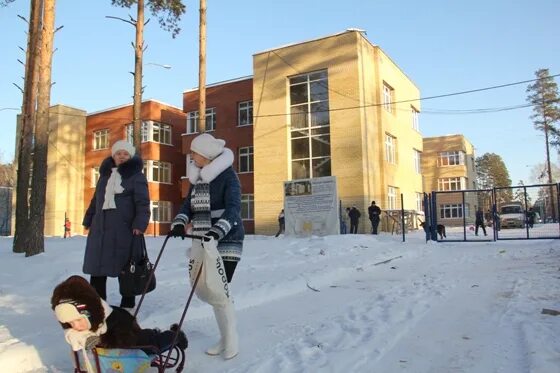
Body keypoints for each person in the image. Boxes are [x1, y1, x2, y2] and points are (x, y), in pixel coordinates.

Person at [169, 133, 244, 360]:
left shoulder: (229, 177)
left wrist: (217, 230)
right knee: (213, 291)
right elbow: (187, 206)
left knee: (220, 290)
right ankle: (224, 337)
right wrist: (180, 223)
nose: (191, 156)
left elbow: (233, 208)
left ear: (206, 155)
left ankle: (231, 339)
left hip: (227, 238)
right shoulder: (200, 179)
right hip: (203, 239)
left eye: (194, 153)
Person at [51, 276, 187, 368]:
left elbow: (123, 344)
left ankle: (175, 335)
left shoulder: (114, 321)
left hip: (128, 333)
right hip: (109, 345)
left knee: (152, 342)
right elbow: (71, 335)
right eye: (70, 323)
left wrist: (100, 341)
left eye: (78, 320)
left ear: (90, 314)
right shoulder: (77, 326)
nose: (75, 326)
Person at [82, 140, 150, 310]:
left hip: (124, 230)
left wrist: (139, 224)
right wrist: (89, 219)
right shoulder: (104, 177)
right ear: (113, 156)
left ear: (130, 156)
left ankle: (127, 305)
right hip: (101, 230)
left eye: (125, 154)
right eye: (118, 153)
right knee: (97, 268)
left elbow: (143, 203)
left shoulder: (136, 177)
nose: (121, 156)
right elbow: (96, 200)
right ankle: (98, 304)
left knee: (126, 268)